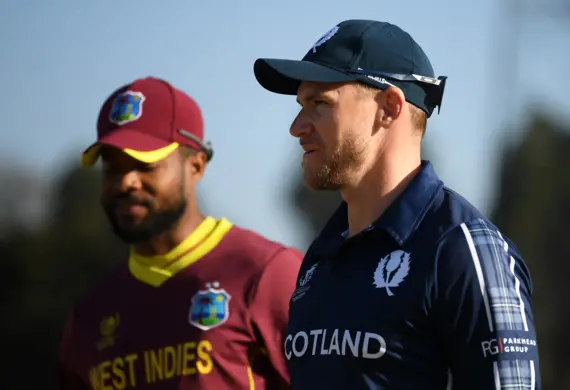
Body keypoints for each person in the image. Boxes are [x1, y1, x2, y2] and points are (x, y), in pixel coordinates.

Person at [253, 19, 541, 389]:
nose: (296, 126)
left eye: (319, 103)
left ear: (389, 107)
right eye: (300, 105)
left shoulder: (463, 249)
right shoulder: (320, 257)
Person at [58, 76, 303, 390]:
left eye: (145, 165)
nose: (125, 182)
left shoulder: (267, 273)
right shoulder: (88, 317)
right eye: (112, 168)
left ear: (196, 166)